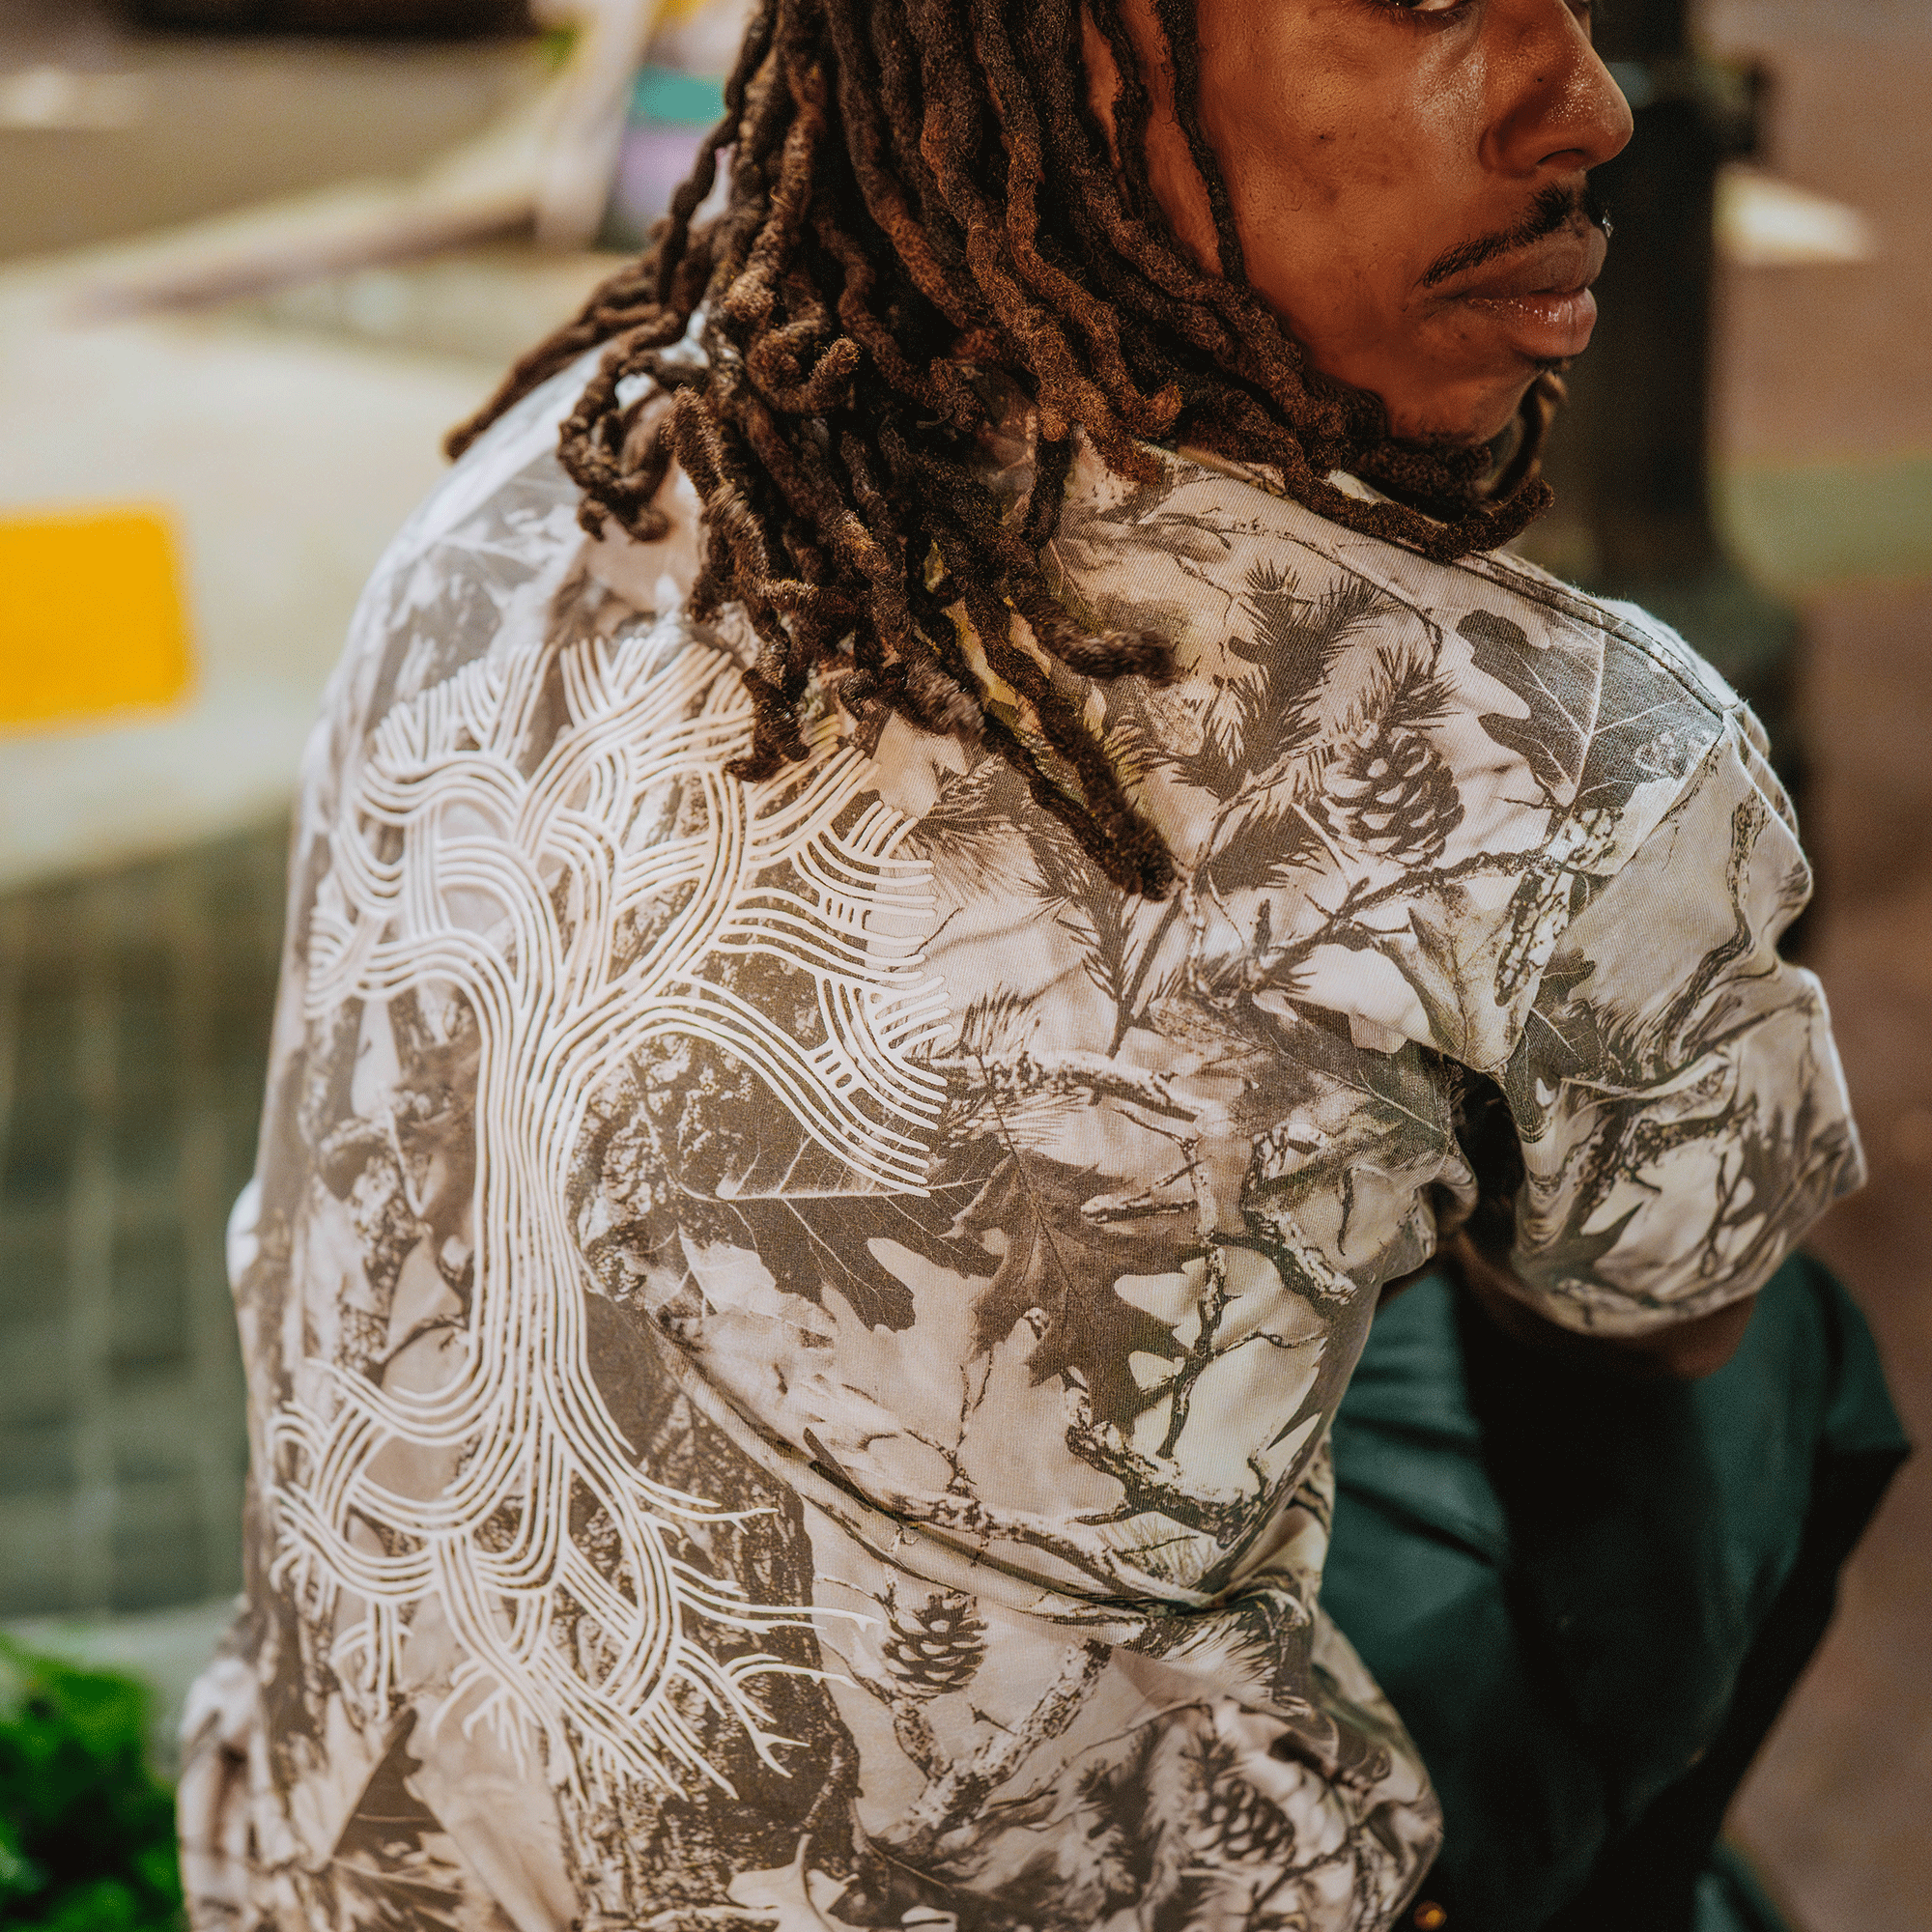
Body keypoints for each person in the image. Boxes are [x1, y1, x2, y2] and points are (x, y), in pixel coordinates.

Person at [177, 2, 1868, 1928]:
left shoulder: (535, 481)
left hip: (329, 1870)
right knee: (1779, 1347)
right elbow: (1664, 1324)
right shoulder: (1562, 757)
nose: (1584, 105)